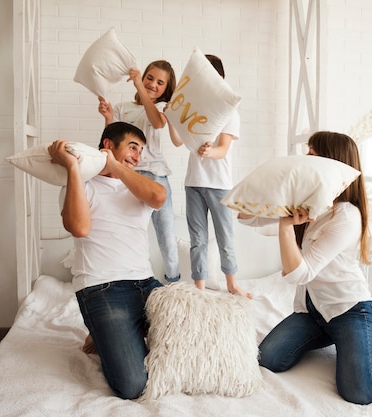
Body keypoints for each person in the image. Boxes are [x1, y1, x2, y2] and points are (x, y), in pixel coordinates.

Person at [240, 131, 372, 405]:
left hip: (349, 310)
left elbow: (300, 273)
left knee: (360, 391)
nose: (305, 159)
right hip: (313, 312)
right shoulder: (306, 205)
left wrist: (285, 226)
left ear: (332, 163)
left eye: (312, 154)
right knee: (270, 358)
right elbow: (248, 219)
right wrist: (271, 189)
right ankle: (335, 338)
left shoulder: (346, 216)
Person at [47, 121, 167, 400]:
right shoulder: (80, 186)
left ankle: (109, 335)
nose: (138, 156)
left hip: (147, 284)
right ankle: (104, 335)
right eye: (133, 147)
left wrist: (116, 166)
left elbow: (158, 197)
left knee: (191, 336)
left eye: (141, 151)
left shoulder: (137, 185)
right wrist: (72, 167)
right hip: (103, 289)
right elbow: (79, 228)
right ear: (108, 146)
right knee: (133, 385)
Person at [167, 54, 250, 299]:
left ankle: (232, 284)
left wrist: (209, 151)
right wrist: (171, 118)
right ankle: (200, 287)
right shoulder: (193, 110)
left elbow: (223, 149)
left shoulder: (230, 113)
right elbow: (177, 141)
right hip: (193, 183)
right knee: (198, 239)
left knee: (225, 237)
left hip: (219, 185)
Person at [98, 60, 181, 283]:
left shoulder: (163, 108)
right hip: (127, 176)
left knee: (166, 235)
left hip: (155, 176)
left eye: (160, 82)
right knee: (126, 231)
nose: (153, 84)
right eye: (149, 78)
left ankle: (173, 284)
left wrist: (139, 87)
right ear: (143, 76)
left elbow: (156, 122)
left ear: (166, 88)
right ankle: (127, 279)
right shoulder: (124, 107)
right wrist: (108, 117)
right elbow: (113, 141)